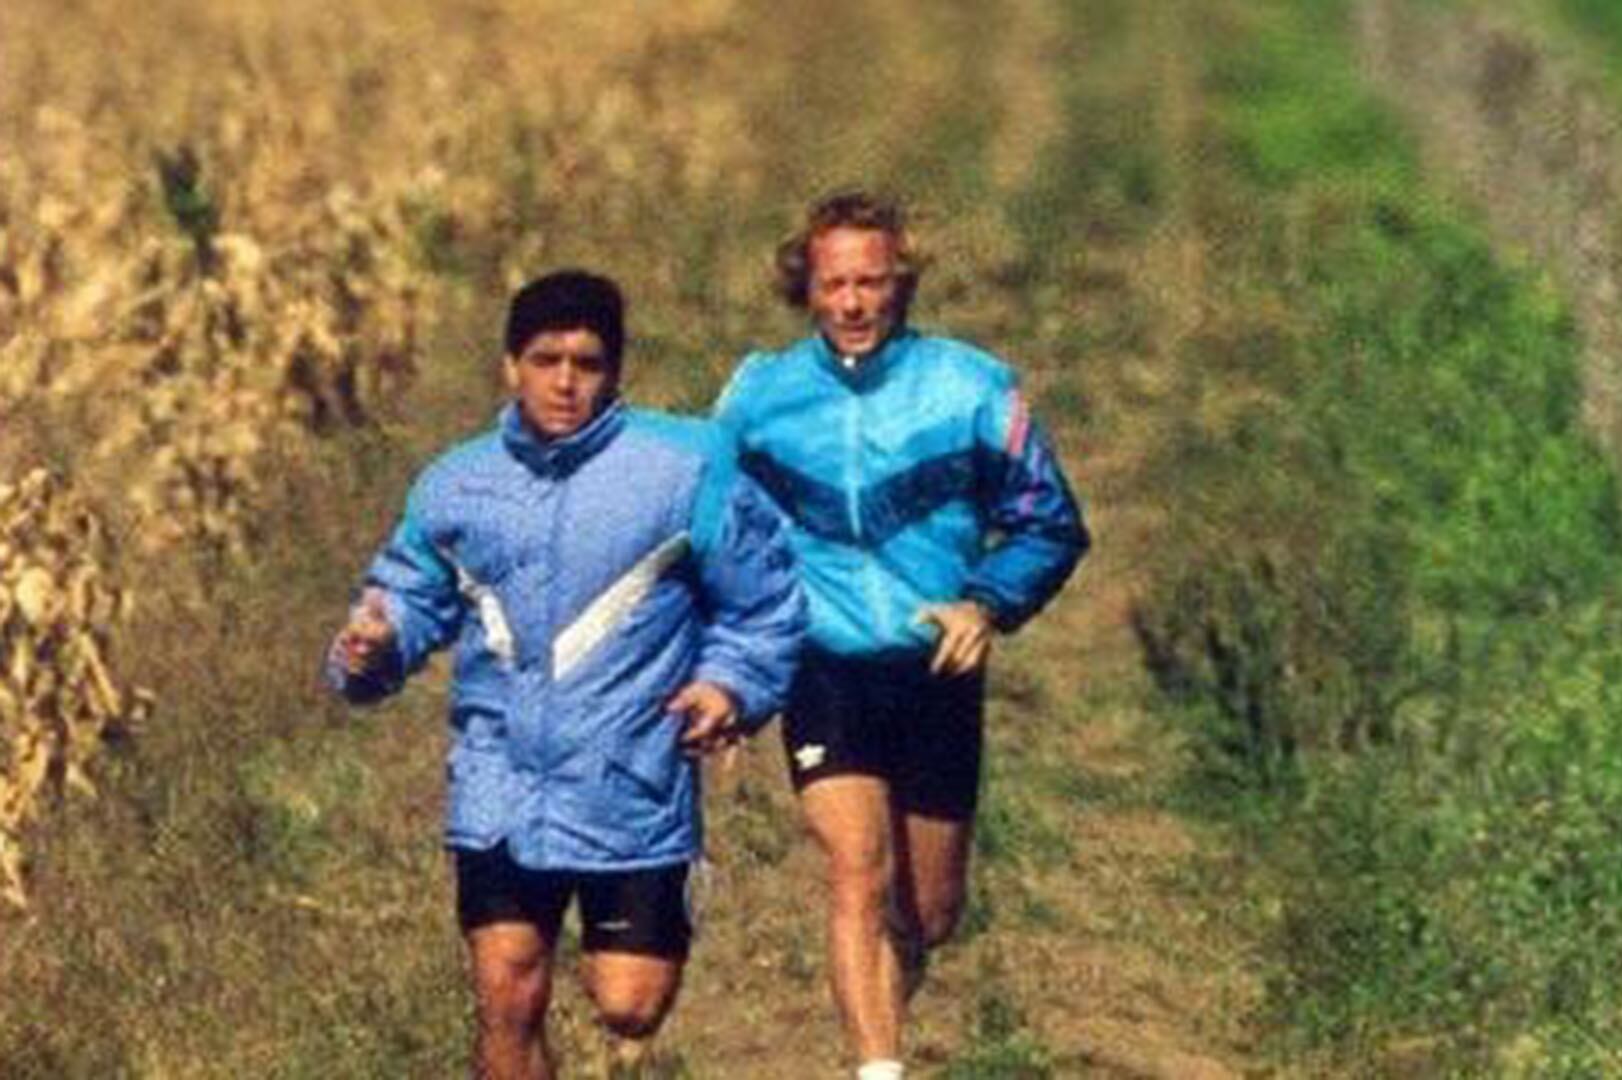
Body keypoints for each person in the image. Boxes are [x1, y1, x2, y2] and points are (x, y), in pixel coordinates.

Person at [325, 269, 806, 1079]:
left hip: (630, 782)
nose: (565, 381)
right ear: (511, 364)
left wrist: (729, 685)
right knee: (506, 991)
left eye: (587, 362)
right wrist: (371, 647)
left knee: (629, 1004)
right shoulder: (456, 484)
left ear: (614, 370)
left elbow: (765, 604)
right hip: (500, 783)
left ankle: (670, 909)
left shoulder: (683, 470)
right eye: (546, 359)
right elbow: (406, 597)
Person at [714, 191, 1090, 1079]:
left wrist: (986, 603)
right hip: (825, 664)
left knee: (926, 916)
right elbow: (707, 530)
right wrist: (723, 667)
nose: (852, 304)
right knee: (856, 867)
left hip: (935, 672)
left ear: (902, 284)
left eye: (871, 283)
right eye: (833, 283)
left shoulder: (972, 389)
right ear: (803, 286)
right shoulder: (758, 398)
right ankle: (878, 1067)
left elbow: (1051, 523)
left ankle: (878, 1023)